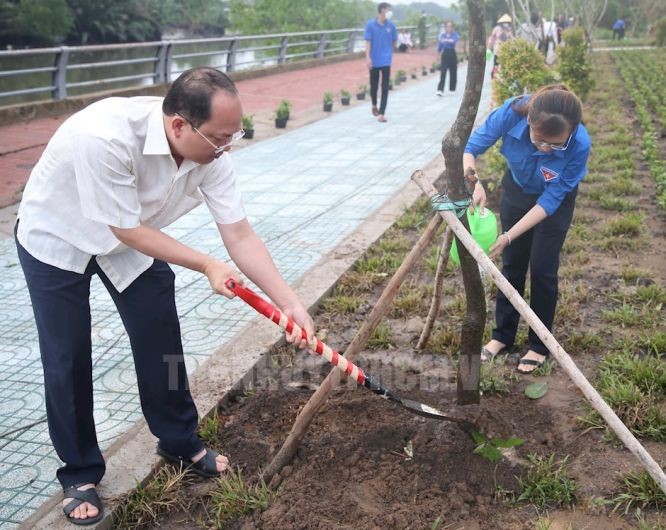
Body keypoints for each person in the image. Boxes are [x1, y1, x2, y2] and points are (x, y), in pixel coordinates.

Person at [15, 66, 315, 525]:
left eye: (233, 136)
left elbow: (238, 233)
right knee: (68, 353)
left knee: (160, 332)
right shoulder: (105, 136)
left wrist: (290, 301)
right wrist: (206, 263)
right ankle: (79, 472)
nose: (227, 147)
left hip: (129, 243)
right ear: (179, 125)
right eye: (219, 137)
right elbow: (126, 227)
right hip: (59, 236)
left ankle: (179, 440)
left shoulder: (212, 156)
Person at [463, 85, 591, 374]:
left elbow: (550, 201)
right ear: (530, 122)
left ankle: (539, 344)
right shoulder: (511, 113)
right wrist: (474, 182)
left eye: (555, 145)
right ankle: (502, 336)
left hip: (553, 205)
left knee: (543, 268)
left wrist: (509, 235)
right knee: (512, 265)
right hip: (518, 192)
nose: (545, 148)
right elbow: (470, 148)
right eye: (539, 140)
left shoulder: (580, 144)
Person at [364, 2, 397, 123]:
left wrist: (390, 51)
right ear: (382, 10)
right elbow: (368, 43)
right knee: (374, 86)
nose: (389, 12)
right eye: (388, 10)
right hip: (374, 60)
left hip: (386, 60)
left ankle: (382, 113)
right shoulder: (370, 25)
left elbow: (394, 42)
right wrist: (367, 57)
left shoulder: (391, 26)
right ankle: (374, 104)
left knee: (385, 87)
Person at [487, 14, 514, 79]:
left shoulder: (509, 29)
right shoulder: (496, 29)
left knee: (506, 65)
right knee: (496, 65)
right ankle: (494, 77)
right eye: (505, 22)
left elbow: (511, 38)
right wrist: (489, 48)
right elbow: (492, 38)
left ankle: (506, 77)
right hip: (498, 50)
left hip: (507, 50)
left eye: (507, 23)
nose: (506, 24)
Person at [436, 21, 459, 96]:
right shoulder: (442, 35)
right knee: (443, 72)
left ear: (452, 27)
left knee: (453, 72)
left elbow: (453, 41)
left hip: (452, 53)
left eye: (450, 26)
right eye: (447, 26)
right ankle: (440, 89)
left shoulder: (454, 35)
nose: (449, 28)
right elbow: (440, 45)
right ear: (445, 27)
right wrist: (438, 56)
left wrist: (446, 40)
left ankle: (452, 89)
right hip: (445, 54)